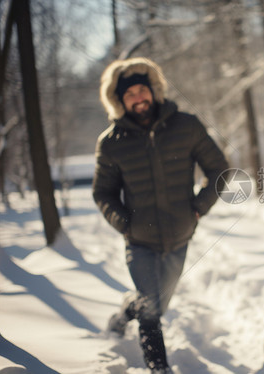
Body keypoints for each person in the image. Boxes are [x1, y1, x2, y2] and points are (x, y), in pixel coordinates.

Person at [93, 57, 229, 373]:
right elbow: (103, 193)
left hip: (180, 236)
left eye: (142, 90)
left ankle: (126, 311)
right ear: (119, 100)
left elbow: (219, 169)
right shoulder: (111, 142)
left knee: (157, 303)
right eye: (129, 94)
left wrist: (198, 208)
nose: (138, 98)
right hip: (139, 240)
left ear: (153, 90)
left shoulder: (187, 125)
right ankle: (159, 368)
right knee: (152, 307)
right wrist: (124, 223)